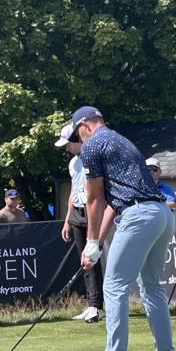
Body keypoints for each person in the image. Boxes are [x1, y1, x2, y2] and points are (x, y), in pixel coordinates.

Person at [69, 106, 176, 351]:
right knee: (151, 286)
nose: (78, 140)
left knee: (114, 285)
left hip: (139, 214)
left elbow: (94, 200)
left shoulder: (91, 145)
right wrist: (95, 243)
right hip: (161, 214)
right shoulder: (121, 140)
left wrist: (92, 242)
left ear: (84, 125)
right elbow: (111, 204)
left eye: (76, 134)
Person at [56, 123, 103, 323]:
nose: (67, 148)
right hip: (76, 212)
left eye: (68, 144)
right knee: (83, 260)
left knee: (93, 258)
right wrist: (67, 220)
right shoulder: (73, 163)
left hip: (92, 211)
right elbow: (73, 191)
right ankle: (90, 304)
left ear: (76, 139)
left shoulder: (93, 157)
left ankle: (96, 305)